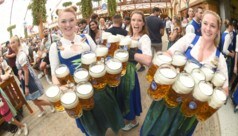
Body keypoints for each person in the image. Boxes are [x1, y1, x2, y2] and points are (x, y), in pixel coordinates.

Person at [141, 10, 229, 136]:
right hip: (170, 97)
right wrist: (171, 69)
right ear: (201, 24)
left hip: (190, 107)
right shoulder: (190, 39)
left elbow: (225, 91)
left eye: (213, 26)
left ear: (217, 30)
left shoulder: (219, 59)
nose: (208, 28)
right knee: (155, 130)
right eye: (205, 23)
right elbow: (168, 54)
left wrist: (208, 93)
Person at [49, 6, 124, 136]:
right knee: (91, 122)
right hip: (78, 92)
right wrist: (59, 86)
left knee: (108, 111)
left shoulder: (86, 37)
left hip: (98, 84)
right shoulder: (54, 47)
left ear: (76, 20)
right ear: (58, 24)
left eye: (71, 20)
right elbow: (54, 73)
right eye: (63, 21)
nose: (68, 24)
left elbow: (100, 57)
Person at [114, 10, 152, 131]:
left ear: (143, 24)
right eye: (133, 20)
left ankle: (133, 121)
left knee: (129, 97)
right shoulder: (128, 37)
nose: (136, 23)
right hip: (121, 72)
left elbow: (148, 60)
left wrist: (131, 54)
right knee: (123, 96)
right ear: (130, 22)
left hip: (130, 74)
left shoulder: (144, 38)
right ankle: (126, 118)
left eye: (139, 20)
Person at [10, 35, 55, 118]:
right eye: (10, 43)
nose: (12, 45)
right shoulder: (19, 53)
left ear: (18, 43)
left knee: (35, 100)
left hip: (29, 79)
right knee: (33, 98)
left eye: (13, 42)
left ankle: (52, 104)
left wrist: (26, 86)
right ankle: (42, 110)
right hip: (26, 78)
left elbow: (26, 71)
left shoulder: (21, 56)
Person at [0, 71, 28, 135]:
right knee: (9, 118)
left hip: (2, 101)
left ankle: (23, 126)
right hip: (2, 103)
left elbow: (4, 77)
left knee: (10, 118)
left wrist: (8, 74)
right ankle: (20, 127)